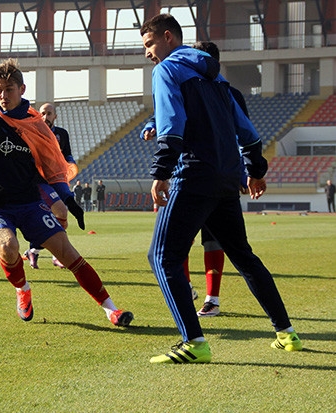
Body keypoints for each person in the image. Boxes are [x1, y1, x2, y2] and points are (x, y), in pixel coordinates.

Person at [141, 14, 302, 364]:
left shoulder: (167, 70)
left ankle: (194, 342)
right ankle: (287, 333)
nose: (148, 53)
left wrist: (161, 172)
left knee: (162, 256)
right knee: (243, 256)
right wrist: (255, 170)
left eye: (149, 44)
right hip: (227, 178)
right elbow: (248, 133)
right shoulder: (218, 78)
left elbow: (172, 126)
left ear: (168, 37)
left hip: (193, 175)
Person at [0, 58, 133, 327]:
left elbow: (52, 170)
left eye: (9, 89)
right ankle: (22, 289)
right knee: (8, 247)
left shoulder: (37, 125)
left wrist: (68, 199)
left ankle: (112, 310)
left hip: (29, 202)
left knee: (68, 254)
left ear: (22, 89)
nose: (3, 95)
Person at [141, 41, 248, 318]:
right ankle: (187, 288)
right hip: (188, 175)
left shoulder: (227, 92)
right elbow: (165, 113)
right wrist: (151, 125)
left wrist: (244, 172)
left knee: (213, 243)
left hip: (205, 176)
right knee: (180, 241)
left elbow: (241, 135)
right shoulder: (184, 83)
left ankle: (212, 299)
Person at [23, 102, 78, 270]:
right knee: (56, 213)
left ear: (55, 116)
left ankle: (35, 251)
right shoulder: (32, 132)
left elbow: (67, 154)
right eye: (42, 113)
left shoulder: (62, 134)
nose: (45, 117)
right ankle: (53, 254)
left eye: (49, 113)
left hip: (58, 181)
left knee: (58, 216)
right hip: (39, 181)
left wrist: (71, 164)